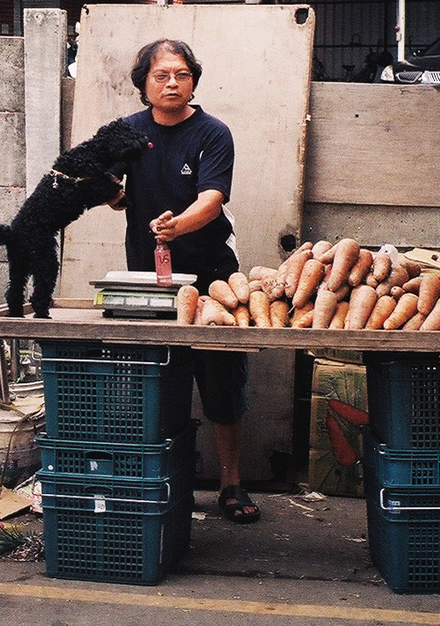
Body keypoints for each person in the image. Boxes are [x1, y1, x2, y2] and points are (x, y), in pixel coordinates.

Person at [110, 37, 260, 524]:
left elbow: (212, 197)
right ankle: (162, 478)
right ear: (144, 84)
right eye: (160, 76)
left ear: (193, 79)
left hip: (213, 276)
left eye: (181, 74)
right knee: (154, 380)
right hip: (148, 278)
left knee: (222, 383)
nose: (172, 83)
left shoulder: (213, 132)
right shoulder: (126, 132)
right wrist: (108, 191)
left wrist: (178, 225)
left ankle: (232, 483)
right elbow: (108, 186)